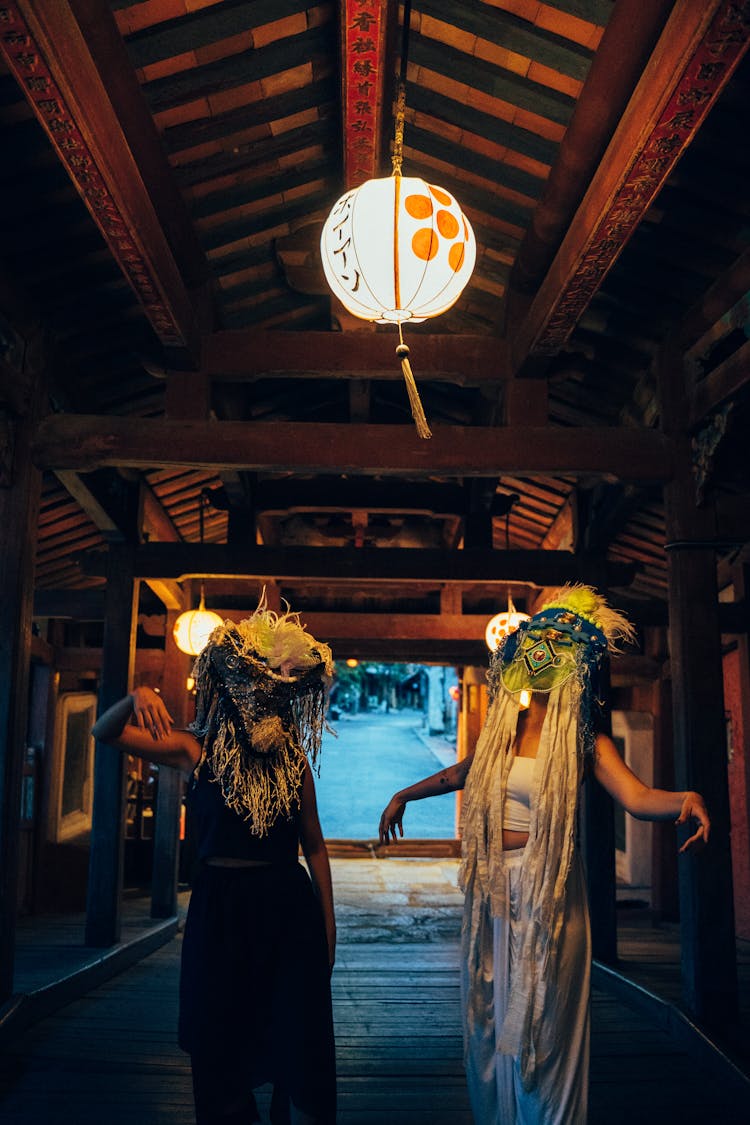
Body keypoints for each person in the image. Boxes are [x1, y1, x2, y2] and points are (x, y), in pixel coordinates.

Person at [378, 585, 710, 1125]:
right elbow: (462, 773)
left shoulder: (584, 740)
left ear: (571, 668)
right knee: (490, 1016)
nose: (540, 661)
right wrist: (404, 795)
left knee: (544, 1024)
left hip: (546, 893)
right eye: (535, 651)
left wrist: (685, 799)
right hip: (493, 890)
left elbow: (637, 796)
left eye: (554, 652)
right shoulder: (501, 731)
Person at [92, 597, 338, 1125]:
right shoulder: (195, 752)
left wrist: (329, 928)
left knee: (292, 1034)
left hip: (285, 907)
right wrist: (137, 695)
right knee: (218, 1035)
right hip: (219, 909)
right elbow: (105, 734)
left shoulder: (293, 761)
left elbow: (314, 848)